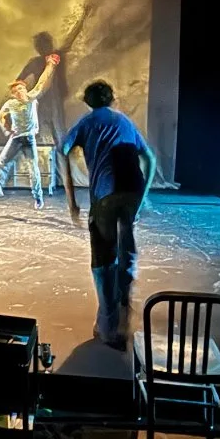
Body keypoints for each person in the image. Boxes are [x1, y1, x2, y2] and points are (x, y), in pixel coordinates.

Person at [60, 80, 156, 349]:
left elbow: (62, 150)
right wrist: (144, 194)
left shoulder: (87, 123)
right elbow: (149, 158)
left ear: (88, 101)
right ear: (112, 98)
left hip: (106, 196)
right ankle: (124, 311)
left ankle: (108, 324)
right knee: (126, 250)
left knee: (103, 260)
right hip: (132, 191)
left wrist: (72, 202)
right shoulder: (124, 121)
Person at [0, 53, 60, 208]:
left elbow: (41, 82)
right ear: (14, 94)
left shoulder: (32, 98)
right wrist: (6, 129)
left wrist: (50, 65)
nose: (20, 91)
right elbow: (0, 116)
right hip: (16, 137)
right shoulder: (11, 103)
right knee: (2, 162)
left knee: (33, 169)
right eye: (17, 90)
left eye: (21, 88)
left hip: (29, 138)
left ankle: (38, 197)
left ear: (25, 90)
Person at [17, 3, 92, 146]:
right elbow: (19, 80)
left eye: (43, 44)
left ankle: (58, 158)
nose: (42, 47)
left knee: (57, 132)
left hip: (53, 100)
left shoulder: (54, 56)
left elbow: (71, 38)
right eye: (41, 45)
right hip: (43, 101)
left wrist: (83, 17)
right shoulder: (37, 61)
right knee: (49, 132)